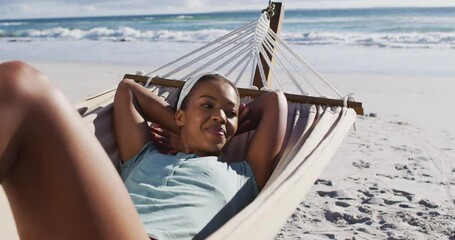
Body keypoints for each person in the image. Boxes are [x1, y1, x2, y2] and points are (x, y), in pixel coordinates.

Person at [0, 61, 287, 239]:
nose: (220, 115)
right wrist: (186, 128)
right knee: (14, 86)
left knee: (22, 84)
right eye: (207, 105)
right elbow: (128, 90)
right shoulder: (144, 156)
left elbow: (275, 101)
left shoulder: (243, 176)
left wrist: (222, 127)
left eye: (230, 112)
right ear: (178, 115)